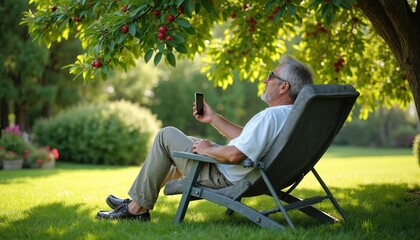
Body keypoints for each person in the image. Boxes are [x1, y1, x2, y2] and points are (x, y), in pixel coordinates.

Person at [96, 56, 313, 221]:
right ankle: (137, 202)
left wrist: (207, 150)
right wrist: (213, 118)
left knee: (166, 135)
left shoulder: (270, 115)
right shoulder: (291, 116)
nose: (266, 79)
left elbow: (236, 154)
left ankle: (135, 209)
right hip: (255, 174)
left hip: (223, 175)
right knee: (185, 143)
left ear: (284, 86)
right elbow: (246, 138)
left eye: (272, 76)